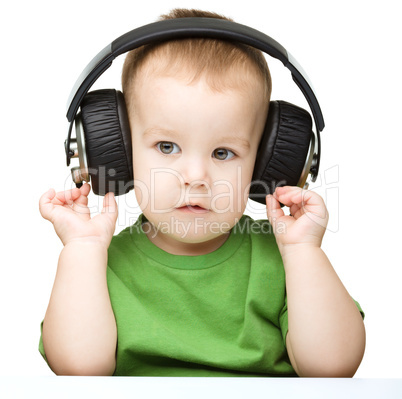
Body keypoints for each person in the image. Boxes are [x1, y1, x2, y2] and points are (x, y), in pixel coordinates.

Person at [38, 8, 365, 377]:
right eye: (166, 147)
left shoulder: (288, 265)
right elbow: (78, 370)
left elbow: (333, 369)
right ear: (120, 152)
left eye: (223, 153)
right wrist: (80, 251)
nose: (195, 177)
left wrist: (304, 252)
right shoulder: (98, 265)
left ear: (267, 165)